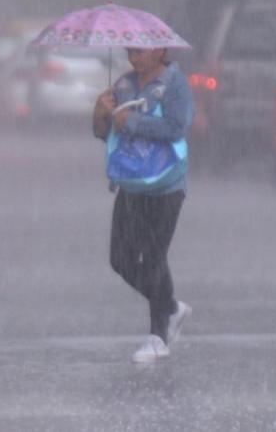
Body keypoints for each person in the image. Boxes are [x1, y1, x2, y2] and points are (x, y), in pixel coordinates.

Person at [92, 47, 193, 363]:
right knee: (120, 259)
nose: (134, 57)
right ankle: (170, 306)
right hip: (131, 183)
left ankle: (158, 336)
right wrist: (101, 113)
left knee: (153, 256)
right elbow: (105, 133)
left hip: (165, 185)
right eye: (130, 51)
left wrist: (132, 121)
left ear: (160, 50)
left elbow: (177, 127)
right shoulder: (123, 86)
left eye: (141, 51)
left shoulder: (175, 83)